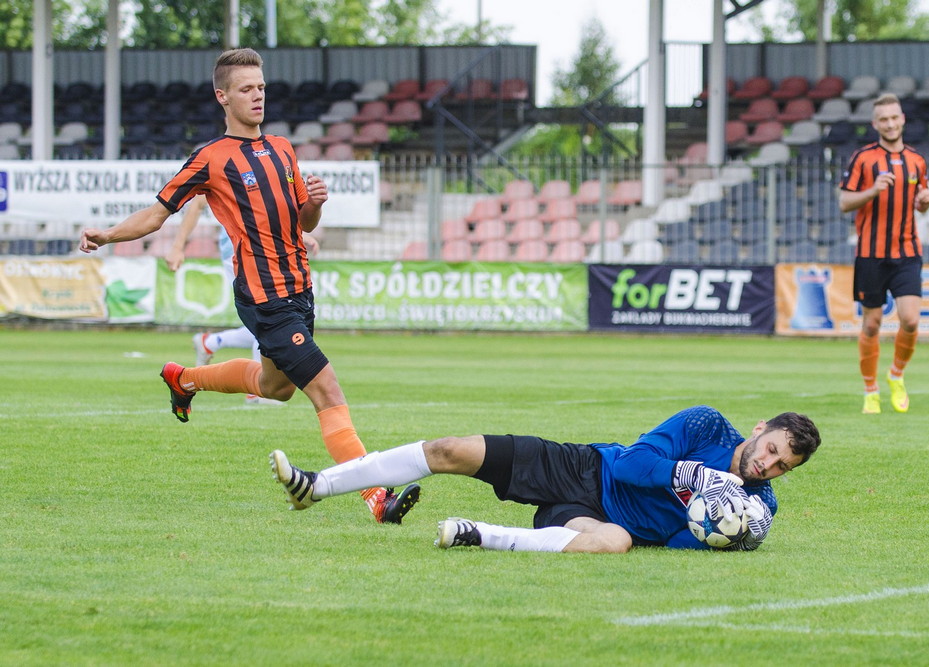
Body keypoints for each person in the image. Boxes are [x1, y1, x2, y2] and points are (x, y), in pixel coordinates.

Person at [79, 47, 419, 524]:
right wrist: (108, 234)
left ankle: (185, 378)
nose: (257, 96)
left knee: (274, 387)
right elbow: (157, 214)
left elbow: (302, 219)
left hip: (299, 288)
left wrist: (317, 204)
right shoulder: (210, 159)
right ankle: (377, 499)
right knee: (327, 389)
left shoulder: (282, 148)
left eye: (260, 87)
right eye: (245, 89)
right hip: (264, 296)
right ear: (223, 96)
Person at [269, 405, 821, 553]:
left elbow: (681, 538)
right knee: (450, 450)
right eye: (770, 450)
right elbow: (630, 464)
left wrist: (721, 531)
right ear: (759, 429)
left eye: (780, 468)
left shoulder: (756, 509)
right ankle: (315, 486)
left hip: (597, 519)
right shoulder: (705, 425)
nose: (765, 467)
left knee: (616, 543)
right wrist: (696, 477)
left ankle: (475, 534)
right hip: (584, 466)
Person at [164, 194, 317, 406]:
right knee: (266, 310)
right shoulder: (219, 163)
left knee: (272, 313)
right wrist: (178, 246)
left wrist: (295, 234)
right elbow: (198, 203)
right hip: (239, 250)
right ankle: (256, 390)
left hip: (265, 248)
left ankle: (210, 343)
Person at [839, 92, 929, 415]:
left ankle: (896, 375)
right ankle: (870, 390)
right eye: (883, 119)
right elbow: (843, 202)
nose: (890, 124)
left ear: (902, 119)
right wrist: (873, 190)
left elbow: (921, 200)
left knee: (910, 319)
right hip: (870, 254)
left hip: (907, 251)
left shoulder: (918, 161)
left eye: (895, 117)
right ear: (875, 123)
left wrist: (926, 202)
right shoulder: (863, 159)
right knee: (872, 325)